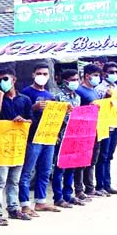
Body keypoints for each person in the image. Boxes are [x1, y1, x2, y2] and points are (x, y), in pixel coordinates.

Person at [0, 68, 33, 225]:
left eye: (6, 78)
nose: (3, 82)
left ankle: (14, 208)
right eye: (0, 79)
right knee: (0, 180)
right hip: (3, 144)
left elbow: (31, 120)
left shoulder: (25, 100)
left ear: (14, 79)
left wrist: (24, 121)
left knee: (14, 179)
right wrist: (0, 95)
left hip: (18, 144)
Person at [18, 63, 62, 216]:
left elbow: (55, 117)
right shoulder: (26, 93)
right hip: (32, 137)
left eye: (45, 74)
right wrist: (33, 108)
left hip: (48, 137)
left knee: (45, 170)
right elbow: (21, 113)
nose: (42, 76)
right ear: (33, 74)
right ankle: (25, 204)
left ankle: (41, 201)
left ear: (49, 76)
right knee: (27, 172)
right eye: (39, 73)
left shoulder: (50, 95)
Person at [52, 69, 82, 208]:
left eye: (77, 79)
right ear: (65, 81)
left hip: (74, 136)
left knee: (71, 167)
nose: (76, 82)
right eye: (73, 79)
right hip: (61, 136)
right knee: (60, 168)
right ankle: (58, 197)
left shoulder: (77, 97)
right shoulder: (58, 97)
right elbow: (53, 118)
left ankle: (68, 195)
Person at [74, 64, 104, 199]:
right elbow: (76, 110)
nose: (98, 78)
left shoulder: (95, 91)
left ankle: (90, 187)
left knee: (92, 159)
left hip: (96, 128)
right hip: (83, 130)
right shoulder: (79, 91)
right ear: (87, 76)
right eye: (96, 75)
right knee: (81, 160)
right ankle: (79, 189)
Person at [94, 62, 117, 195]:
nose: (114, 74)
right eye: (111, 72)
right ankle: (100, 186)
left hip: (115, 125)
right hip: (104, 126)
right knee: (102, 156)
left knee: (109, 156)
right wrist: (106, 97)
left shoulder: (116, 86)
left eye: (116, 72)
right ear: (104, 73)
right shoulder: (99, 88)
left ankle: (107, 184)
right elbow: (96, 106)